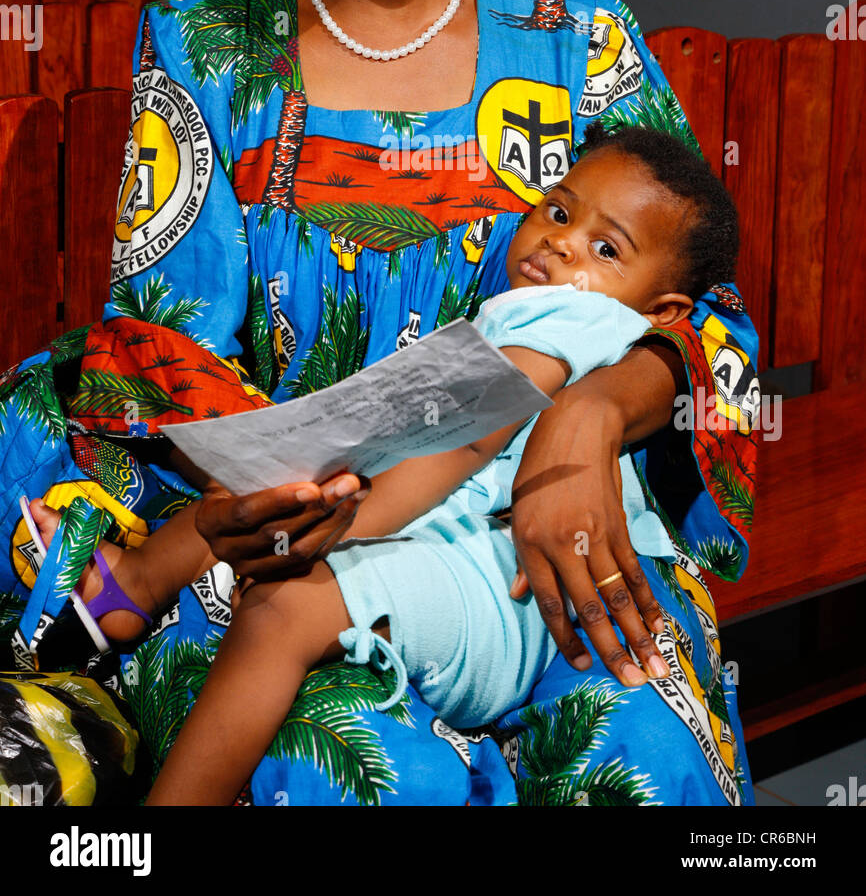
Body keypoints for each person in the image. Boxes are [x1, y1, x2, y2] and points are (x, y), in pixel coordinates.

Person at [3, 0, 761, 807]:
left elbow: (705, 313)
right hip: (266, 539)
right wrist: (267, 506)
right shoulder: (205, 51)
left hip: (540, 520)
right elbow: (160, 349)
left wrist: (588, 422)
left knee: (640, 751)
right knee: (368, 772)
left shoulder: (579, 43)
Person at [27, 122, 741, 806]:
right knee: (276, 488)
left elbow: (468, 438)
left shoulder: (570, 318)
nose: (559, 243)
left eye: (605, 249)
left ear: (666, 307)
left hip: (505, 588)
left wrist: (343, 525)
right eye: (558, 210)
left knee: (283, 605)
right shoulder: (546, 310)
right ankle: (137, 588)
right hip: (469, 552)